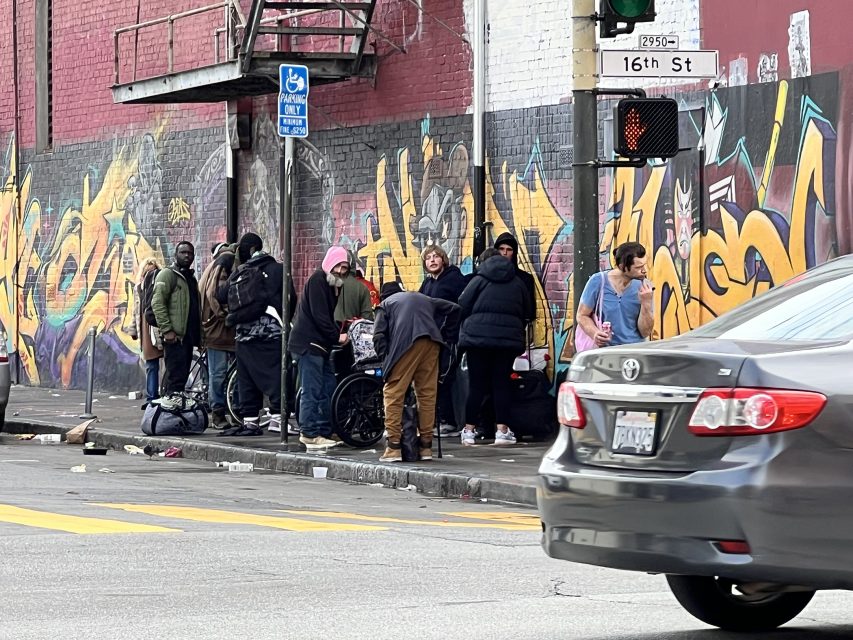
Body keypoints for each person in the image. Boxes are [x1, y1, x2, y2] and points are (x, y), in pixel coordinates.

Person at [373, 283, 460, 463]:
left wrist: (386, 361)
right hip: (432, 342)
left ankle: (394, 447)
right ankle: (426, 447)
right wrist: (446, 335)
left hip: (407, 343)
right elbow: (455, 309)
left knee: (393, 392)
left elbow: (378, 336)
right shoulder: (423, 298)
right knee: (427, 394)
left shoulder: (385, 305)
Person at [457, 248, 534, 446]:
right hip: (506, 342)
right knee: (501, 384)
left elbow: (462, 305)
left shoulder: (478, 280)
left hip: (477, 340)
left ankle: (468, 431)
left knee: (477, 385)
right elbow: (528, 311)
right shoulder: (517, 282)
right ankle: (502, 431)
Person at [217, 233, 284, 437]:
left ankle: (250, 421)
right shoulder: (278, 270)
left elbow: (220, 295)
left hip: (243, 336)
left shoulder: (240, 271)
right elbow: (290, 299)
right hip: (270, 333)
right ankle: (277, 419)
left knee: (246, 379)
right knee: (275, 377)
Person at [288, 246, 350, 450]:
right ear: (330, 264)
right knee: (312, 389)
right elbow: (320, 316)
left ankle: (324, 430)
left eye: (345, 267)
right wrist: (337, 336)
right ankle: (309, 433)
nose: (342, 270)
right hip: (309, 344)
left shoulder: (332, 284)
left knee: (328, 387)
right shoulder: (318, 281)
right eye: (339, 266)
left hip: (319, 345)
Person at [417, 244, 467, 436]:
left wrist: (450, 333)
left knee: (444, 378)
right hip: (430, 337)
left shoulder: (453, 279)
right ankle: (437, 419)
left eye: (436, 256)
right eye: (428, 257)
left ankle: (449, 421)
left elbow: (460, 307)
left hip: (447, 338)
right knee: (431, 378)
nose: (432, 260)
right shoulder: (428, 283)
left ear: (443, 259)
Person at [150, 241, 201, 408]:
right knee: (175, 378)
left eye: (190, 253)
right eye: (183, 252)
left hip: (187, 337)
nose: (187, 256)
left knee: (181, 377)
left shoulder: (190, 278)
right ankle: (169, 413)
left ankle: (176, 411)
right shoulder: (168, 275)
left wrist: (200, 338)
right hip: (175, 337)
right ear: (175, 255)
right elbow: (157, 303)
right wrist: (167, 330)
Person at [577, 241, 654, 348]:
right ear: (622, 267)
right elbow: (582, 315)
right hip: (606, 352)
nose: (644, 270)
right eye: (638, 267)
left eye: (644, 265)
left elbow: (645, 332)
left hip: (635, 351)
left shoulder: (645, 287)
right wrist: (594, 333)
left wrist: (646, 303)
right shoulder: (598, 281)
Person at [198, 242, 237, 429]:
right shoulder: (223, 266)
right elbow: (213, 295)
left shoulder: (212, 267)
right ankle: (218, 414)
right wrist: (226, 314)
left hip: (218, 332)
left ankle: (223, 411)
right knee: (219, 374)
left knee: (219, 374)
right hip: (218, 332)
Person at [128, 257, 163, 410]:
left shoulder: (161, 285)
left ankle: (161, 396)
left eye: (153, 271)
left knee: (162, 364)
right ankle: (152, 397)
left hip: (158, 326)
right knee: (151, 365)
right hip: (145, 328)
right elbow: (136, 310)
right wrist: (133, 329)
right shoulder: (138, 288)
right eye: (147, 272)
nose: (150, 275)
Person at [494, 232, 536, 324]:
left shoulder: (525, 279)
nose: (504, 253)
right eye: (501, 249)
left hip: (514, 328)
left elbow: (530, 313)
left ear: (514, 253)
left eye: (509, 250)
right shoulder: (489, 276)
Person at [334, 250, 374, 323]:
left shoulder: (324, 284)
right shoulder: (362, 288)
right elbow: (367, 319)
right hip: (350, 332)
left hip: (328, 332)